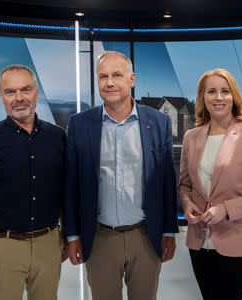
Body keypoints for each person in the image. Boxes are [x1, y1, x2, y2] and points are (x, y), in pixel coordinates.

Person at [63, 50, 179, 300]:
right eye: (103, 76)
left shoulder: (158, 122)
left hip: (145, 236)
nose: (109, 82)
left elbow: (167, 181)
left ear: (132, 79)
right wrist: (72, 235)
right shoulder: (80, 124)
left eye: (117, 75)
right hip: (100, 237)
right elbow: (71, 184)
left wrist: (169, 230)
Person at [0, 64, 66, 300]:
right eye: (10, 92)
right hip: (3, 247)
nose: (19, 98)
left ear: (36, 92)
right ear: (1, 96)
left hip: (49, 244)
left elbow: (64, 191)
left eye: (26, 89)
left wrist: (69, 237)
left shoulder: (58, 136)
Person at [178, 68, 242, 300]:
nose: (218, 97)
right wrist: (187, 204)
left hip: (237, 243)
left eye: (225, 91)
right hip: (199, 243)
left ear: (234, 97)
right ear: (203, 97)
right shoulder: (190, 137)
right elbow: (184, 186)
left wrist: (225, 210)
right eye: (211, 91)